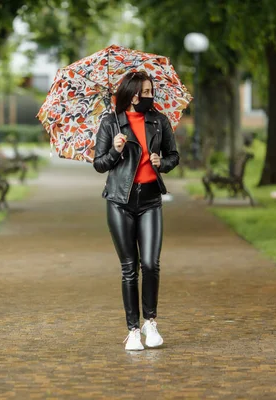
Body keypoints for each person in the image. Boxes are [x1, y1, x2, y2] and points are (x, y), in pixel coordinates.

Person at [93, 71, 179, 351]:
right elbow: (99, 164)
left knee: (151, 264)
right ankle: (132, 330)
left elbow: (173, 156)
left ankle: (150, 322)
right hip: (119, 201)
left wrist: (161, 162)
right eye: (143, 91)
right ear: (130, 94)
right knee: (130, 267)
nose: (148, 96)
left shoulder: (159, 121)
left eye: (150, 91)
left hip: (151, 200)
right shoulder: (111, 123)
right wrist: (116, 149)